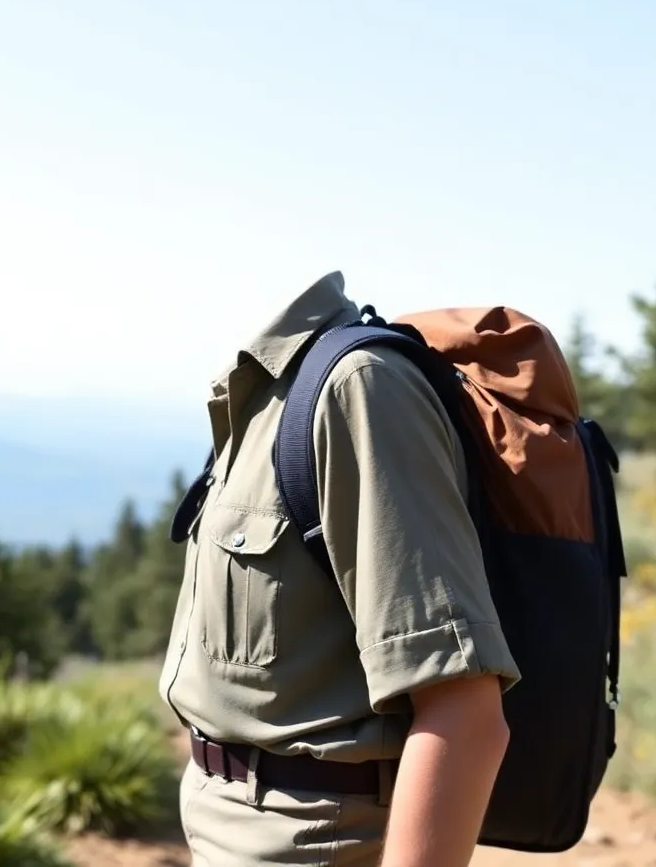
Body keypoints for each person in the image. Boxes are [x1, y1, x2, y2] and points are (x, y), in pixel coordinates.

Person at [158, 270, 521, 867]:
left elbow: (465, 713)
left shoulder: (358, 390)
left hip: (312, 843)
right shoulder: (264, 393)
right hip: (228, 829)